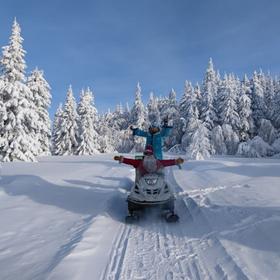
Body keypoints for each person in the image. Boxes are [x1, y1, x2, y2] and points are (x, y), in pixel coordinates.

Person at [114, 145, 184, 179]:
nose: (148, 155)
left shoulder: (157, 162)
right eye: (146, 153)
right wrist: (122, 159)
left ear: (152, 153)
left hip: (156, 178)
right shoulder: (139, 162)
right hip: (143, 179)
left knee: (165, 187)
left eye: (150, 153)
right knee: (137, 189)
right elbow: (131, 161)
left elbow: (166, 162)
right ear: (144, 154)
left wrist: (176, 161)